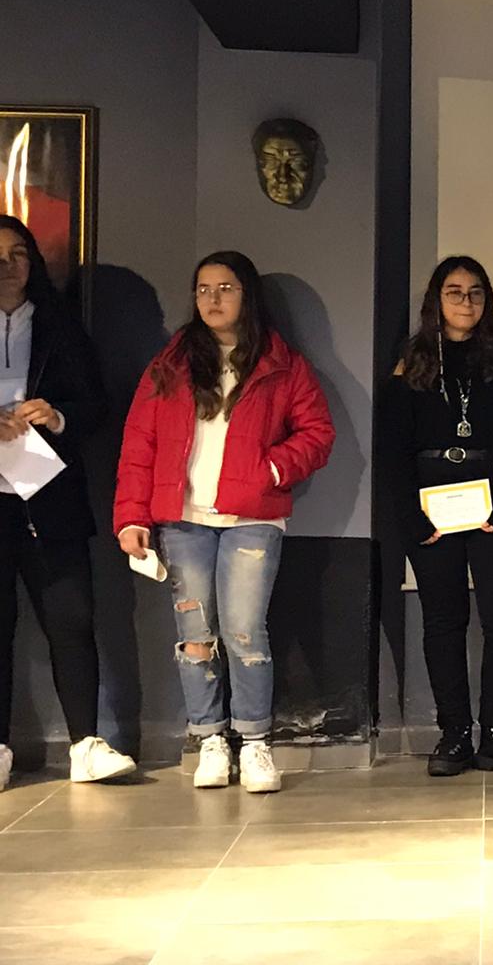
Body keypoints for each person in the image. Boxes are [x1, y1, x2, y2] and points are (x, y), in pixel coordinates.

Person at [114, 251, 334, 793]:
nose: (213, 299)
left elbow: (317, 433)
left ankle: (255, 742)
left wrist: (272, 469)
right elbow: (139, 444)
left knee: (244, 631)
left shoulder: (282, 363)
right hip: (183, 520)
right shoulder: (169, 365)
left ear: (247, 295)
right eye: (203, 289)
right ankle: (209, 738)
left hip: (253, 517)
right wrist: (131, 517)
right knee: (195, 635)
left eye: (226, 288)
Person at [387, 256, 493, 777]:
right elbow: (393, 448)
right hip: (430, 506)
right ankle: (454, 734)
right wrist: (411, 515)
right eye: (454, 291)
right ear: (437, 299)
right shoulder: (410, 363)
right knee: (443, 620)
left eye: (476, 292)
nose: (466, 301)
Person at [0, 216, 136, 793]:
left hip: (49, 495)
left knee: (72, 619)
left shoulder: (61, 327)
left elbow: (96, 407)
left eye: (18, 254)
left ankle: (86, 744)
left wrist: (55, 416)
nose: (8, 266)